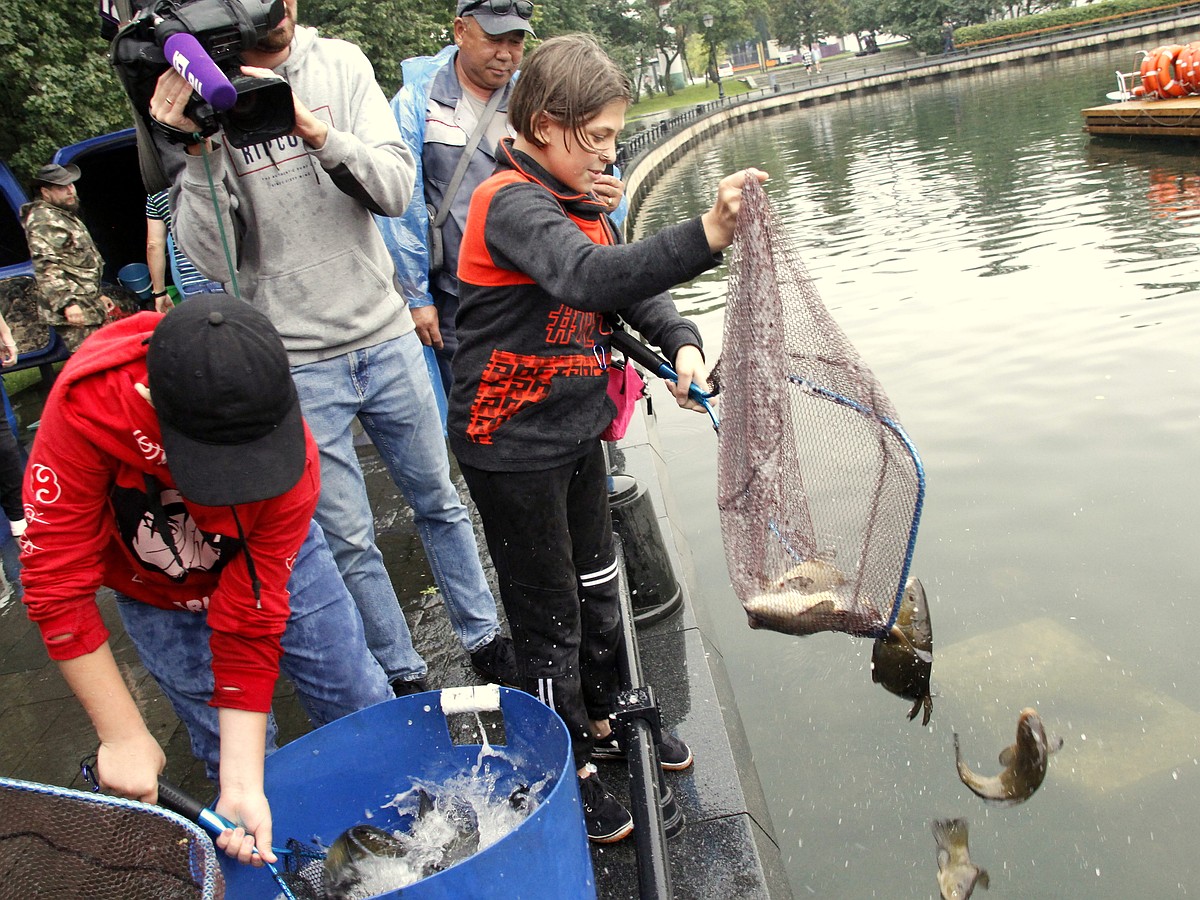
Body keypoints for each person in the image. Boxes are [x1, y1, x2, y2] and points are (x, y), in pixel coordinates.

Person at [148, 0, 517, 696]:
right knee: (347, 537)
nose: (277, 9)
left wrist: (319, 133)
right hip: (293, 356)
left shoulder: (341, 64)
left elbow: (396, 186)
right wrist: (191, 153)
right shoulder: (207, 88)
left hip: (382, 330)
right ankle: (401, 672)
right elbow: (211, 259)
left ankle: (484, 636)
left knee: (438, 497)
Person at [451, 33, 768, 843]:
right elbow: (586, 280)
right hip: (509, 444)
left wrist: (684, 342)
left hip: (575, 430)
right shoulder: (510, 204)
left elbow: (622, 289)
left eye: (613, 136)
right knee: (546, 610)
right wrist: (706, 232)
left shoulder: (579, 201)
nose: (608, 153)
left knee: (599, 583)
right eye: (595, 137)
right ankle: (564, 759)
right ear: (545, 126)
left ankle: (605, 716)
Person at [19, 295, 391, 866]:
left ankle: (391, 831)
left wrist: (247, 780)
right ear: (151, 403)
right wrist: (122, 734)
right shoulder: (84, 409)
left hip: (274, 562)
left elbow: (251, 616)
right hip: (156, 590)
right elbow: (55, 585)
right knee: (226, 752)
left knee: (356, 694)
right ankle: (283, 854)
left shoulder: (297, 463)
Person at [378, 0, 625, 397]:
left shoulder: (542, 99)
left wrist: (611, 200)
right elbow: (401, 206)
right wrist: (416, 296)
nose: (505, 54)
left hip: (544, 288)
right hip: (458, 297)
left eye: (515, 42)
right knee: (478, 397)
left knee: (553, 395)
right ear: (460, 31)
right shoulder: (417, 105)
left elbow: (598, 169)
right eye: (495, 39)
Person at [20, 163, 116, 352]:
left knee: (105, 357)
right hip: (74, 307)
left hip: (88, 303)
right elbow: (47, 266)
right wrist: (67, 304)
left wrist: (98, 295)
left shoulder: (62, 214)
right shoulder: (43, 219)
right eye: (62, 187)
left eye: (71, 185)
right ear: (45, 192)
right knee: (91, 362)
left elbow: (77, 263)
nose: (70, 190)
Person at [145, 189, 224, 311]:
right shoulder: (212, 179)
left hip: (193, 281)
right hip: (229, 272)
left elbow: (154, 245)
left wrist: (159, 292)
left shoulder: (157, 194)